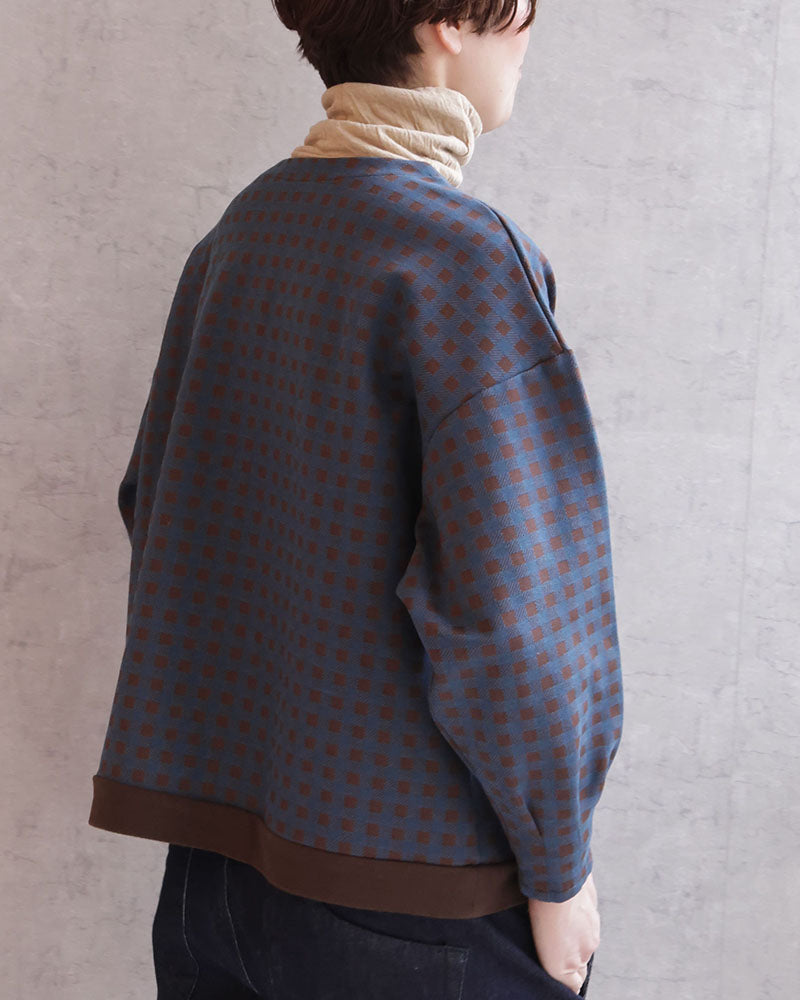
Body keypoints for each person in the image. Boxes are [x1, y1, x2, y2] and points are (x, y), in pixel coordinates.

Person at [88, 0, 624, 996]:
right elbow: (515, 611)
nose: (530, 34)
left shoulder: (243, 232)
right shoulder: (464, 259)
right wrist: (558, 868)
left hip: (214, 876)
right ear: (447, 21)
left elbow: (155, 507)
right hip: (414, 897)